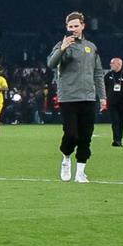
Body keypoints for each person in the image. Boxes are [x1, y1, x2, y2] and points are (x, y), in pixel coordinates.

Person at [48, 12, 101, 183]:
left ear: (83, 26)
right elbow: (51, 64)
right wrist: (63, 48)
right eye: (70, 27)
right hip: (68, 97)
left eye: (76, 26)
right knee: (71, 134)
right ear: (66, 28)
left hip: (88, 97)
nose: (73, 30)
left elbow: (98, 73)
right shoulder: (61, 45)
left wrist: (103, 97)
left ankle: (80, 172)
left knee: (86, 136)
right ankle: (65, 158)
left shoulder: (91, 47)